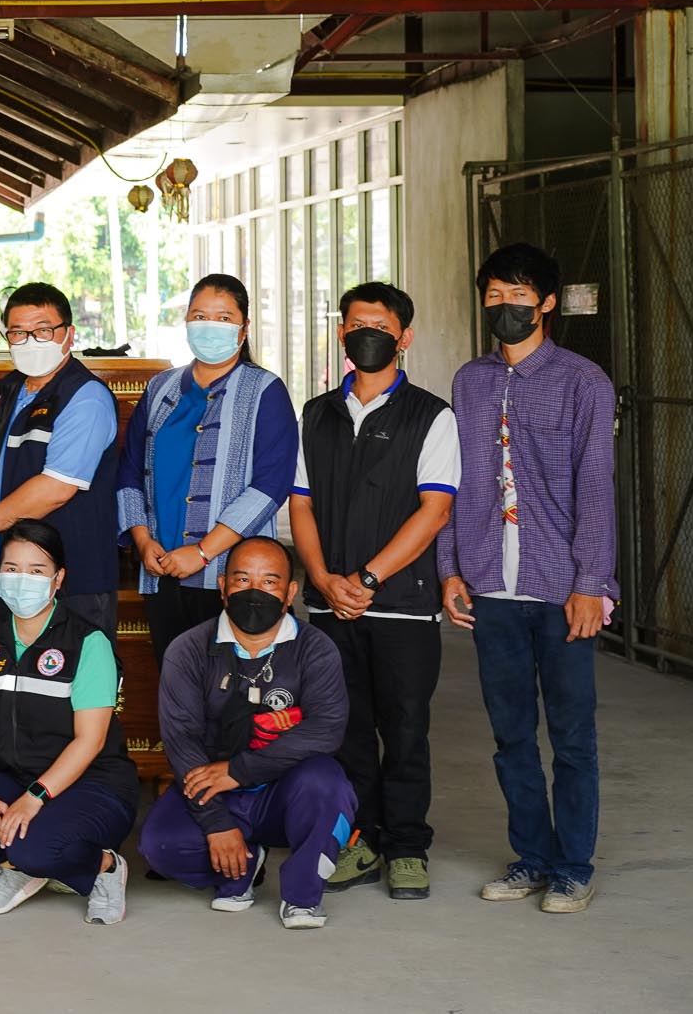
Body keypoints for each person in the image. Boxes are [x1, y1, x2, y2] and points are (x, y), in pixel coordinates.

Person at [439, 242, 617, 915]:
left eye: (518, 295)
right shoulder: (470, 381)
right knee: (511, 735)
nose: (505, 306)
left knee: (571, 737)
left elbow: (595, 488)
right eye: (494, 295)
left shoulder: (583, 382)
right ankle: (532, 857)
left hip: (562, 587)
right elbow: (454, 483)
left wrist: (592, 582)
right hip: (492, 586)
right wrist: (450, 569)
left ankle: (573, 866)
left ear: (545, 303)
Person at [291, 282, 459, 901]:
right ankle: (359, 840)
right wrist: (321, 578)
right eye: (356, 324)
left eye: (381, 327)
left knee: (406, 730)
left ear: (403, 337)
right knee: (347, 730)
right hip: (330, 604)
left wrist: (365, 579)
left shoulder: (431, 415)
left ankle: (408, 847)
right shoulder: (316, 414)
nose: (367, 335)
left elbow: (434, 511)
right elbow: (301, 505)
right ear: (341, 333)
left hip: (403, 607)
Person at [0, 520, 140, 925]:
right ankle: (17, 866)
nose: (22, 580)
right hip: (16, 777)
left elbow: (90, 741)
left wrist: (35, 797)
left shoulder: (87, 643)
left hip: (93, 784)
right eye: (12, 568)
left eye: (37, 570)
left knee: (35, 847)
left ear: (58, 579)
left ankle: (104, 866)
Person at [139, 537, 356, 930]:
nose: (255, 592)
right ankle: (243, 864)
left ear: (290, 592)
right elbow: (182, 741)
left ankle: (302, 896)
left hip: (285, 791)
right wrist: (216, 823)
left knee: (329, 786)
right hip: (214, 786)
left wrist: (240, 770)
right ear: (223, 587)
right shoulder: (188, 649)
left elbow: (326, 729)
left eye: (269, 582)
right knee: (160, 846)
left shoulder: (315, 648)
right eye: (242, 580)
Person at [117, 274, 298, 665]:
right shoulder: (160, 388)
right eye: (200, 316)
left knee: (232, 682)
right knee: (175, 678)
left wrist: (202, 552)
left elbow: (271, 485)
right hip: (161, 569)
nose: (210, 326)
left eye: (223, 318)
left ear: (244, 328)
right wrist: (143, 541)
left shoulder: (265, 390)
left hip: (232, 576)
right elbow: (130, 470)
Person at [0, 282, 123, 636]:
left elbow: (56, 488)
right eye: (18, 332)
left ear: (69, 335)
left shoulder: (85, 398)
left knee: (74, 669)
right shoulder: (10, 390)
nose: (30, 341)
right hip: (15, 572)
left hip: (72, 577)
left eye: (43, 330)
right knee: (15, 670)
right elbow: (3, 473)